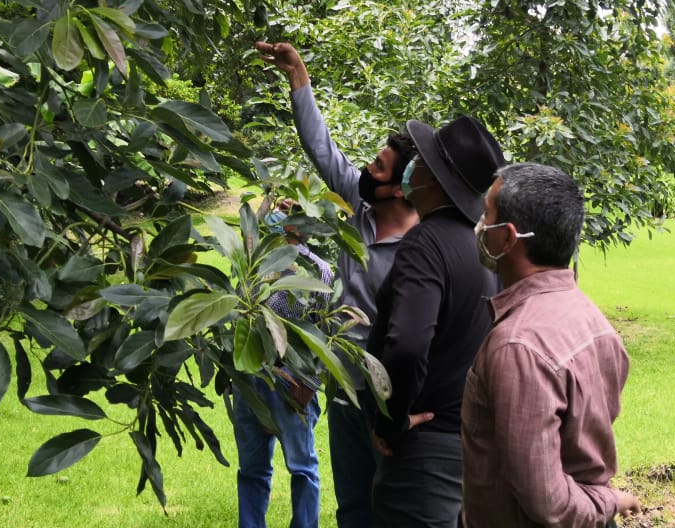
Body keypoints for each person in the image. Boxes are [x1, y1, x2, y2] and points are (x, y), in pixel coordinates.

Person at [256, 40, 420, 528]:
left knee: (395, 507)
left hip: (391, 400)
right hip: (344, 390)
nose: (365, 169)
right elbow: (321, 148)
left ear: (400, 188)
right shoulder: (359, 205)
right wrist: (298, 79)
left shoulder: (423, 247)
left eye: (377, 166)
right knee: (352, 508)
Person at [462, 162, 642, 528]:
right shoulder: (594, 321)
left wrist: (607, 501)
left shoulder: (518, 346)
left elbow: (549, 503)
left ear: (508, 237)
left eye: (487, 216)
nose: (480, 227)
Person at [365, 115, 506, 528]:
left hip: (425, 455)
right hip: (469, 443)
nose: (413, 168)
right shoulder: (482, 247)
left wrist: (391, 420)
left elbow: (407, 345)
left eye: (420, 162)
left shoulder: (424, 245)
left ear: (432, 179)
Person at [231, 205, 334, 528]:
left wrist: (312, 383)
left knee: (302, 468)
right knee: (251, 469)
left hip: (293, 381)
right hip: (251, 378)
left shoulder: (318, 272)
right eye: (278, 206)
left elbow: (327, 332)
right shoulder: (253, 267)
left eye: (288, 209)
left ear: (301, 224)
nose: (278, 212)